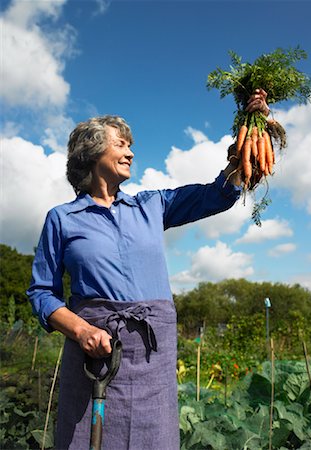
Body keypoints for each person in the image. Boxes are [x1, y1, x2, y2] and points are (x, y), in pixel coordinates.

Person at [27, 90, 269, 450]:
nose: (131, 152)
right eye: (122, 145)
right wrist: (80, 330)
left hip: (152, 357)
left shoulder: (152, 206)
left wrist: (249, 130)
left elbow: (215, 194)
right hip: (96, 355)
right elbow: (41, 292)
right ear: (93, 153)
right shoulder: (62, 219)